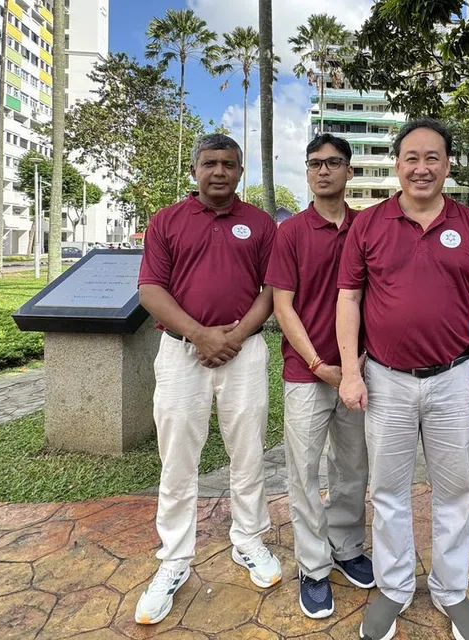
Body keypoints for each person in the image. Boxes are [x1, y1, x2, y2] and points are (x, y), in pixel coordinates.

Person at [336, 118, 469, 640]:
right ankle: (394, 587)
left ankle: (451, 591)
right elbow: (349, 298)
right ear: (397, 165)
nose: (421, 167)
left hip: (453, 378)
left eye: (433, 157)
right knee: (389, 490)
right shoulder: (369, 224)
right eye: (411, 157)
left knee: (455, 490)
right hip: (385, 379)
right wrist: (350, 371)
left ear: (448, 164)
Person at [134, 134, 281, 624]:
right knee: (178, 458)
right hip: (181, 354)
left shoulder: (260, 223)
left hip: (244, 352)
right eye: (210, 163)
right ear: (195, 169)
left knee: (248, 452)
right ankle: (174, 559)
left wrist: (232, 337)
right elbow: (150, 289)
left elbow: (271, 290)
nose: (219, 171)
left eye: (229, 164)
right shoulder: (167, 221)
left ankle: (248, 540)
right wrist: (200, 335)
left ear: (240, 171)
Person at [266, 134, 374, 619]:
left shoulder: (367, 227)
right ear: (307, 172)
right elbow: (282, 306)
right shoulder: (290, 232)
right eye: (315, 163)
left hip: (360, 372)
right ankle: (313, 566)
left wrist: (355, 365)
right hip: (306, 372)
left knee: (353, 467)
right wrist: (318, 364)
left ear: (349, 171)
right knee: (304, 471)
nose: (323, 170)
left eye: (333, 163)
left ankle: (347, 547)